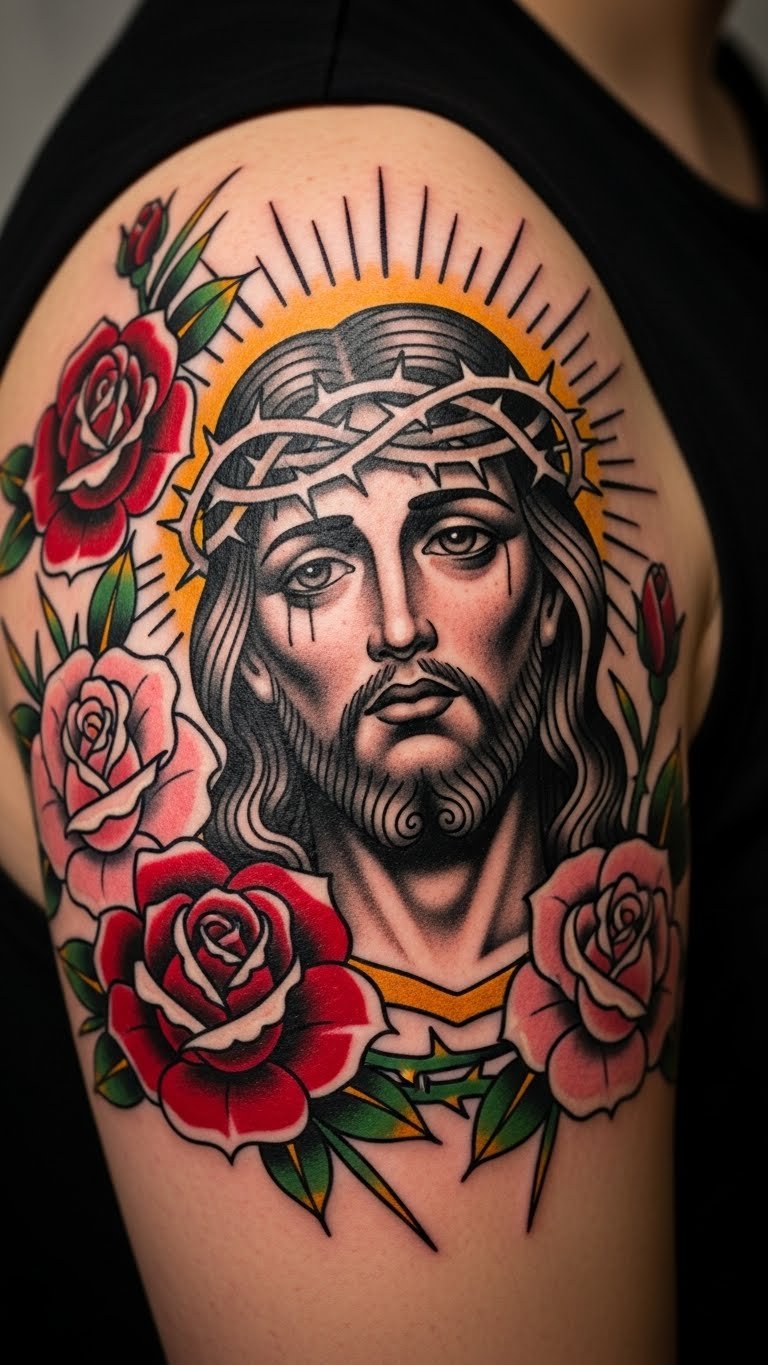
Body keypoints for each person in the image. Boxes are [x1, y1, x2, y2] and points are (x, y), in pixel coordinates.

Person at [0, 3, 765, 1363]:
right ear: (243, 656)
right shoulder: (350, 189)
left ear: (554, 587)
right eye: (317, 566)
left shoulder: (697, 103)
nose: (401, 626)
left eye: (456, 538)